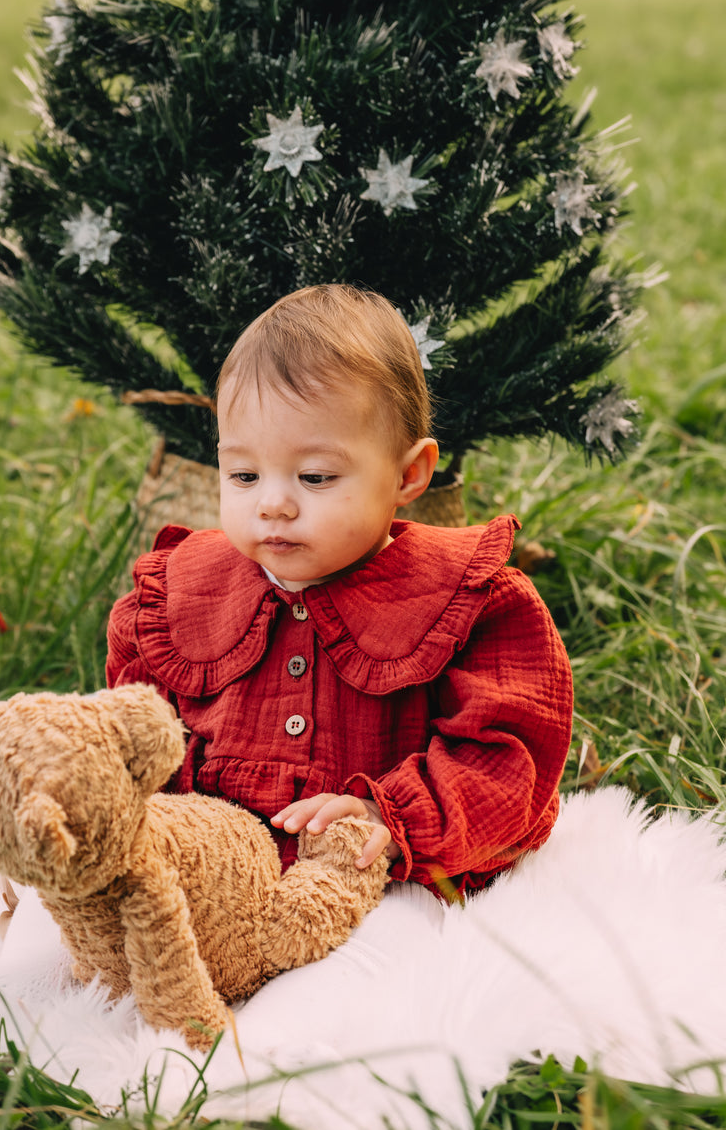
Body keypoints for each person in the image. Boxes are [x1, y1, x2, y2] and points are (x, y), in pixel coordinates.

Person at [106, 282, 573, 900]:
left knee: (370, 975)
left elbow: (509, 757)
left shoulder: (470, 604)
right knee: (74, 938)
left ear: (409, 474)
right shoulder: (180, 596)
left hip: (385, 876)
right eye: (243, 474)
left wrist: (391, 818)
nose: (273, 503)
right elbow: (129, 735)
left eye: (315, 476)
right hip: (208, 873)